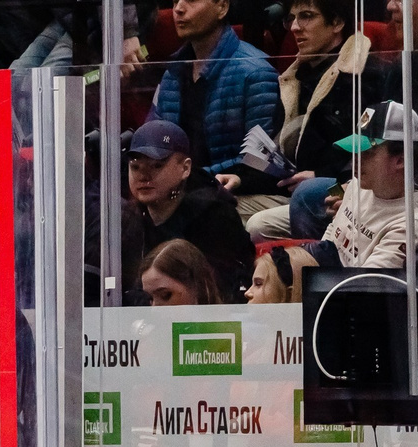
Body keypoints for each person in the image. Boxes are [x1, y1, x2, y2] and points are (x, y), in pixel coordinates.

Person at [248, 0, 382, 240]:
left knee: (261, 223)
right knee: (215, 205)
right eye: (292, 18)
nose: (295, 28)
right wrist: (239, 180)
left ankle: (312, 266)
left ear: (337, 23)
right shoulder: (294, 78)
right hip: (293, 187)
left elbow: (371, 147)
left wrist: (319, 174)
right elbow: (277, 155)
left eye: (307, 16)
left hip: (343, 186)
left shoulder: (365, 76)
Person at [153, 0, 284, 198]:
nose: (178, 9)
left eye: (191, 0)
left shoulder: (256, 73)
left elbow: (259, 160)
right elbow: (155, 142)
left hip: (231, 193)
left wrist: (192, 177)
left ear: (222, 7)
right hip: (181, 191)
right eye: (173, 1)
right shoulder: (172, 73)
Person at [118, 120, 257, 304]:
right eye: (135, 167)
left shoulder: (214, 216)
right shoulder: (128, 218)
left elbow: (218, 293)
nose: (143, 176)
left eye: (157, 165)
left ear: (185, 168)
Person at [325, 101, 418, 269]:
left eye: (367, 153)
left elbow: (363, 286)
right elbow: (331, 235)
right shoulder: (359, 183)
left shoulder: (411, 224)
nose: (355, 161)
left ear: (401, 160)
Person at [141, 237, 223, 304]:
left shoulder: (231, 323)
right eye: (150, 298)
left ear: (197, 286)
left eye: (166, 295)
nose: (154, 309)